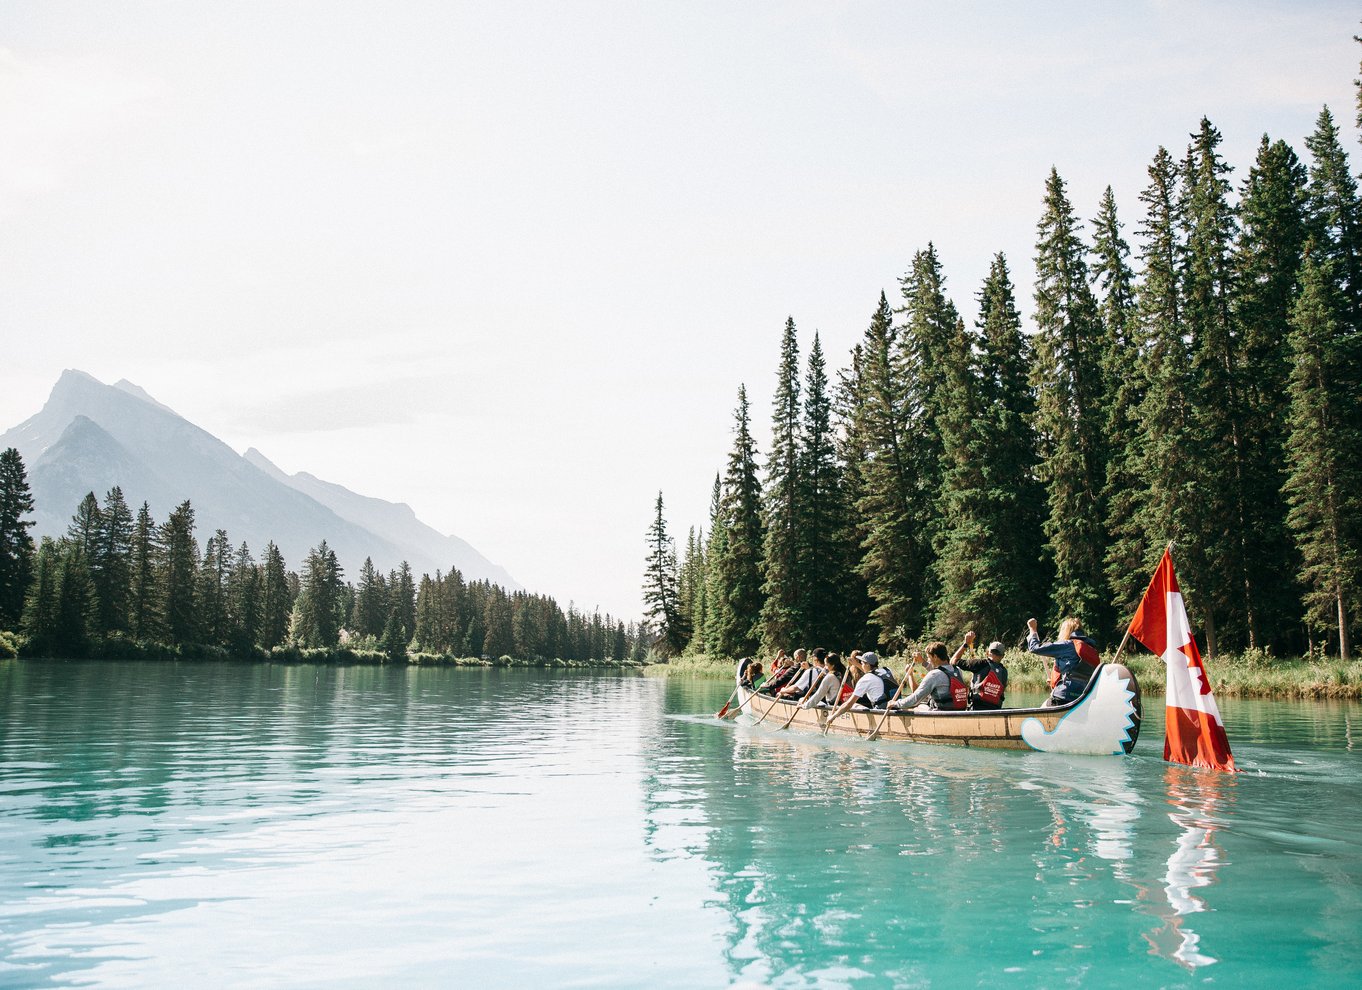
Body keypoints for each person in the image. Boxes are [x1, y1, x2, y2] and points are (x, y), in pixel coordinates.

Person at [1027, 616, 1100, 706]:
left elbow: (1034, 648)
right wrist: (1054, 681)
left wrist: (1032, 629)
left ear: (1066, 631)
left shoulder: (1067, 645)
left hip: (1064, 696)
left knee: (1044, 706)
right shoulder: (1091, 648)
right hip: (1083, 698)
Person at [890, 641, 968, 711]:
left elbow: (916, 698)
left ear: (935, 657)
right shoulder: (957, 670)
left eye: (928, 657)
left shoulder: (934, 674)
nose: (928, 660)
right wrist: (922, 662)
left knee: (917, 706)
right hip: (960, 710)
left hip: (942, 712)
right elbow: (942, 671)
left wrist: (896, 703)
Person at [952, 630, 1009, 710]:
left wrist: (966, 644)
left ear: (987, 652)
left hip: (977, 709)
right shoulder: (1004, 671)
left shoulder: (980, 664)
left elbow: (953, 661)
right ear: (1002, 656)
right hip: (996, 710)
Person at [828, 651, 896, 717]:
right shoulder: (886, 670)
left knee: (854, 704)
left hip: (882, 710)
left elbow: (849, 704)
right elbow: (871, 673)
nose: (861, 665)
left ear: (867, 665)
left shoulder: (866, 679)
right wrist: (856, 664)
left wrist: (833, 716)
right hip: (895, 705)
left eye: (862, 663)